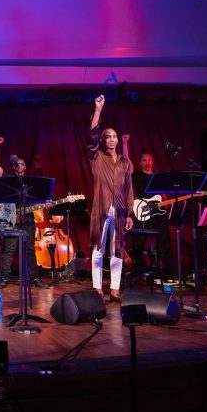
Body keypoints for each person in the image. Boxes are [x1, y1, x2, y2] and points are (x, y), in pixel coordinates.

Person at [88, 95, 134, 302]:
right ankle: (97, 287)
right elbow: (92, 133)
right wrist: (98, 110)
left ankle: (115, 289)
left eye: (114, 136)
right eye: (108, 136)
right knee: (99, 249)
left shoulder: (124, 163)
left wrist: (130, 213)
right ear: (103, 140)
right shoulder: (97, 157)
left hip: (121, 210)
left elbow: (128, 189)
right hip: (101, 208)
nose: (112, 139)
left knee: (117, 250)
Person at [0, 137, 50, 289]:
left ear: (25, 167)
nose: (20, 165)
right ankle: (4, 278)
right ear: (14, 166)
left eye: (22, 163)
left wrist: (46, 203)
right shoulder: (9, 179)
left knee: (30, 249)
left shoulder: (31, 183)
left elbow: (40, 199)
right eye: (17, 163)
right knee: (9, 249)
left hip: (28, 220)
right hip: (12, 220)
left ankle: (34, 278)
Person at [126, 146, 174, 271]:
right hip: (143, 212)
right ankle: (140, 268)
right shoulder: (137, 175)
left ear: (152, 162)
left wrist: (167, 203)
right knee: (138, 244)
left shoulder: (158, 178)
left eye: (149, 160)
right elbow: (126, 161)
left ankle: (169, 270)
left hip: (158, 214)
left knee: (165, 242)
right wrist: (126, 143)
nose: (147, 163)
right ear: (140, 163)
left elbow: (163, 197)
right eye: (144, 160)